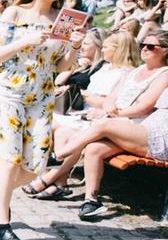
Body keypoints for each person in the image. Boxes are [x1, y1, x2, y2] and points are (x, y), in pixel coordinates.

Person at [0, 0, 85, 240]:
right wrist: (24, 41)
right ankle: (3, 226)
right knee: (10, 160)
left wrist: (74, 45)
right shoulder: (15, 14)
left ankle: (1, 188)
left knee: (36, 165)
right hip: (9, 93)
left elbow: (61, 66)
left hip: (41, 97)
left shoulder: (62, 20)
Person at [55, 33, 168, 219]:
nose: (145, 49)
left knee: (104, 125)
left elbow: (144, 107)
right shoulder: (135, 71)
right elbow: (111, 98)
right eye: (143, 45)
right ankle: (91, 200)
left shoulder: (164, 74)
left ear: (165, 50)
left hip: (150, 132)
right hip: (122, 125)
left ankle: (61, 154)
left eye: (151, 46)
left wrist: (114, 114)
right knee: (93, 148)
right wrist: (109, 108)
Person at [24, 31, 147, 200]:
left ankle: (50, 177)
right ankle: (60, 183)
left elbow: (110, 104)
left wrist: (86, 96)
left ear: (119, 49)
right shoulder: (105, 67)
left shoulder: (126, 73)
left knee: (72, 134)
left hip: (103, 118)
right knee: (56, 128)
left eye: (105, 47)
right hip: (85, 113)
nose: (102, 51)